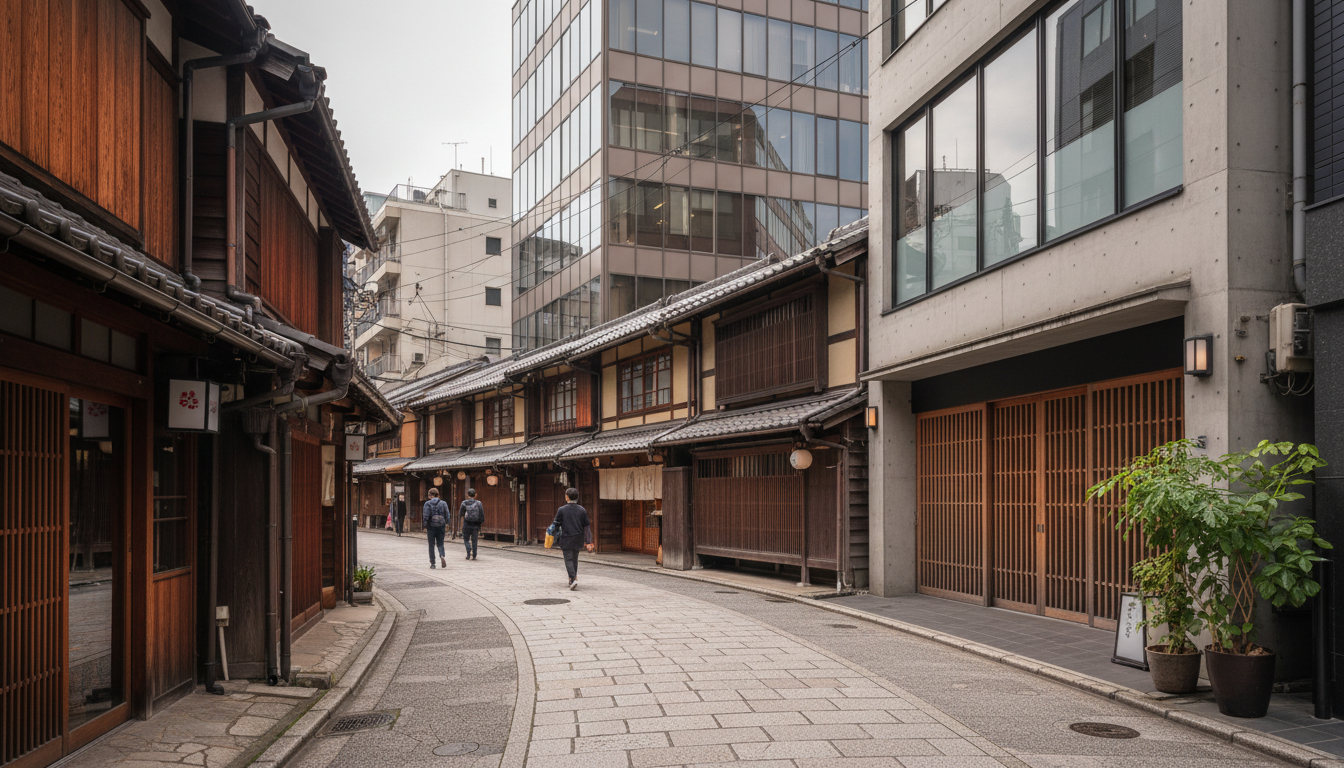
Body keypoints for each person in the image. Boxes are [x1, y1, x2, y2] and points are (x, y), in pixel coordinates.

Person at [551, 487, 593, 590]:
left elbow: (556, 524)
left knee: (568, 559)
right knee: (574, 558)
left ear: (566, 497)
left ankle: (573, 579)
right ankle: (572, 578)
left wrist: (550, 533)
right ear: (577, 497)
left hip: (566, 538)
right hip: (578, 538)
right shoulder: (582, 510)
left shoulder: (562, 510)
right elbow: (586, 526)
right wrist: (588, 541)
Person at [423, 487, 449, 568]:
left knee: (431, 545)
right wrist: (447, 523)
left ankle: (433, 563)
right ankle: (441, 555)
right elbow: (447, 514)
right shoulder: (443, 503)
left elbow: (425, 516)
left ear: (430, 495)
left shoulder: (427, 504)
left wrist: (425, 525)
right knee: (440, 543)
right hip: (441, 525)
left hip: (431, 526)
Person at [459, 488, 485, 560]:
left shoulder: (464, 503)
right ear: (475, 495)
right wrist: (480, 524)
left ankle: (468, 552)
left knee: (466, 539)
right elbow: (482, 515)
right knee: (474, 540)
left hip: (467, 523)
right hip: (475, 524)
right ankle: (474, 555)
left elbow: (461, 513)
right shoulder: (479, 503)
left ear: (468, 495)